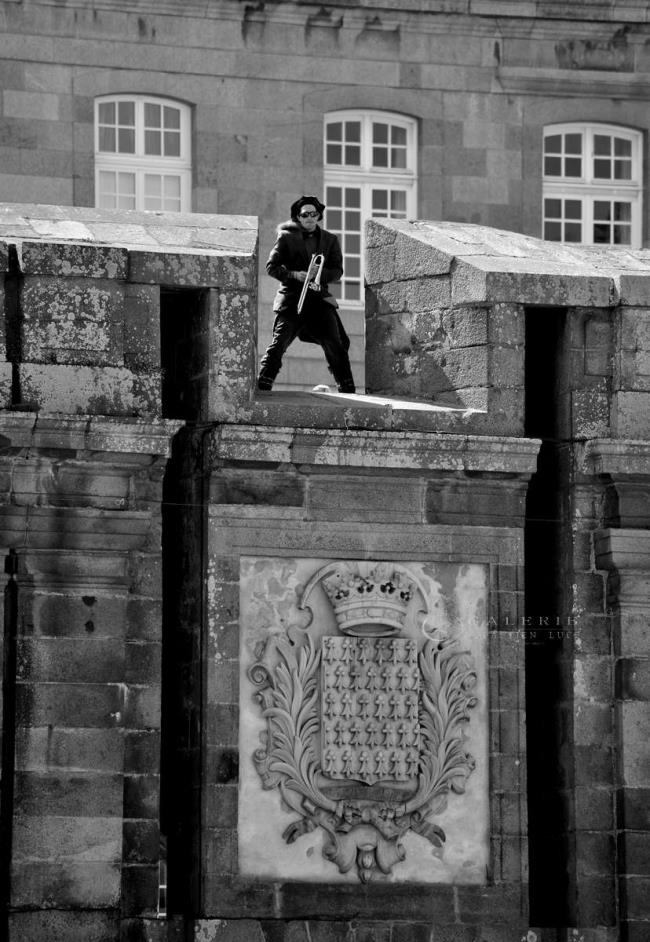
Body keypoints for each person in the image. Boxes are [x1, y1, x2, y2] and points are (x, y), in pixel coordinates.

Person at [257, 195, 356, 393]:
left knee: (336, 344)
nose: (310, 217)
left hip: (319, 299)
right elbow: (271, 267)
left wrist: (318, 273)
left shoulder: (330, 240)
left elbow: (338, 271)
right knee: (279, 342)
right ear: (298, 217)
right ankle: (263, 383)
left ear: (319, 215)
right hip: (293, 298)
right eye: (305, 215)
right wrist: (294, 274)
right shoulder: (286, 238)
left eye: (314, 214)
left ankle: (347, 388)